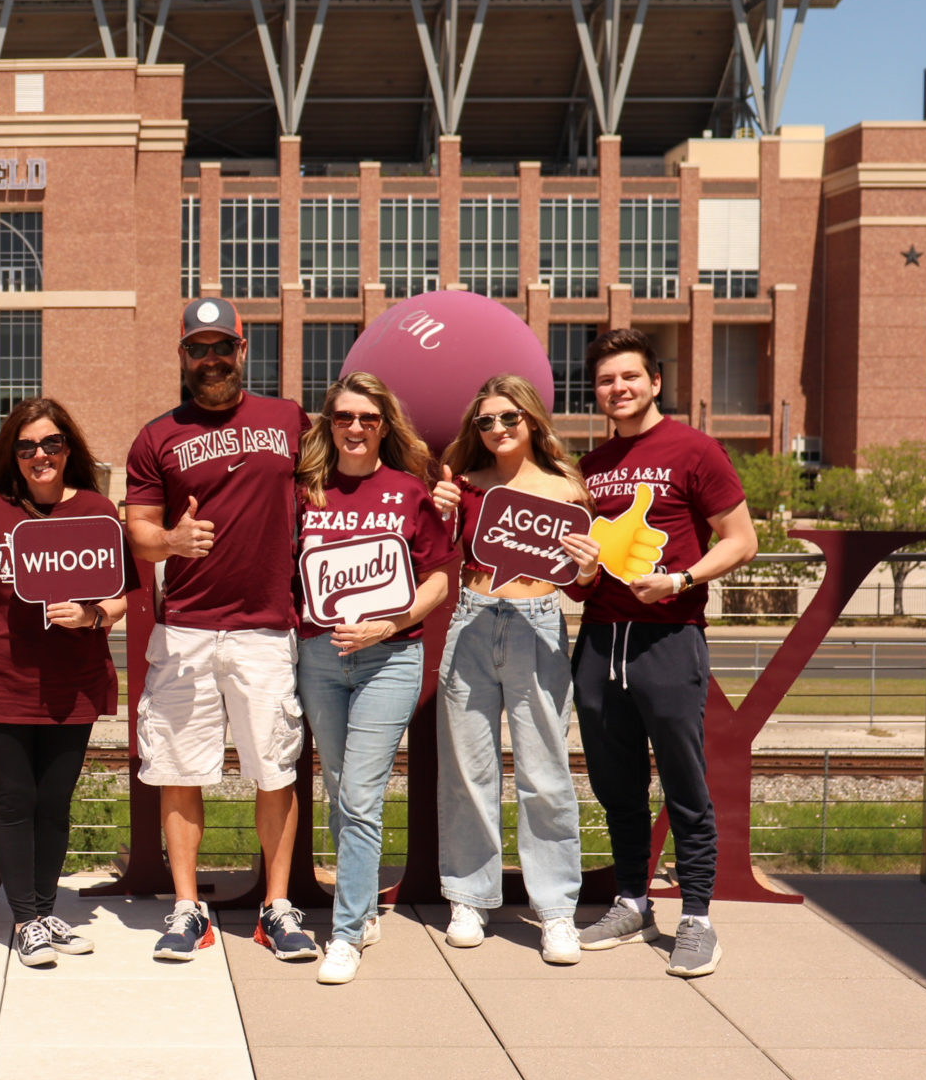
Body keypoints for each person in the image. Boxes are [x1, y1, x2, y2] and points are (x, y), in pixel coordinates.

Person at [124, 296, 319, 963]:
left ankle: (277, 906)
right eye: (197, 348)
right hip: (187, 629)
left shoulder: (288, 418)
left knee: (275, 769)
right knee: (179, 769)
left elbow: (338, 483)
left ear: (243, 350)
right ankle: (188, 909)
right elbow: (140, 534)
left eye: (221, 346)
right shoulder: (157, 437)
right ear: (183, 355)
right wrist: (171, 539)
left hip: (266, 627)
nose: (210, 358)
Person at [569, 328, 757, 978]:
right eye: (605, 380)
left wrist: (680, 580)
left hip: (669, 637)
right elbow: (576, 578)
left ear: (654, 381)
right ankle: (631, 901)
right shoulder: (588, 468)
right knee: (615, 783)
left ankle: (698, 916)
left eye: (629, 377)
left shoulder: (694, 449)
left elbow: (741, 539)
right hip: (599, 641)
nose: (617, 388)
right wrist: (586, 573)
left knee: (684, 780)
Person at [0, 399, 132, 968]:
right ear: (13, 456)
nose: (39, 456)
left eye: (50, 444)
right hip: (2, 675)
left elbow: (125, 595)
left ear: (68, 448)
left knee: (54, 801)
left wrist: (93, 616)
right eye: (26, 448)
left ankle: (46, 909)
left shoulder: (98, 510)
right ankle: (25, 918)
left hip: (72, 679)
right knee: (14, 797)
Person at [293, 373, 453, 985]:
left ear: (385, 425)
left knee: (358, 794)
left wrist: (388, 625)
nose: (355, 429)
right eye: (343, 418)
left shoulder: (410, 492)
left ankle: (346, 930)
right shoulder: (306, 492)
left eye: (367, 418)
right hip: (318, 658)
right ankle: (362, 908)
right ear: (328, 425)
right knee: (342, 789)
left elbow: (438, 577)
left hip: (391, 659)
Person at [430, 374, 594, 966]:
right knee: (470, 773)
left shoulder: (565, 488)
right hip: (472, 621)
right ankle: (470, 898)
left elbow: (581, 587)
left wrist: (586, 569)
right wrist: (438, 510)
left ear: (531, 421)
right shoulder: (463, 486)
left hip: (538, 623)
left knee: (545, 774)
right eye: (485, 421)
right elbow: (433, 552)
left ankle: (555, 912)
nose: (497, 429)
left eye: (508, 418)